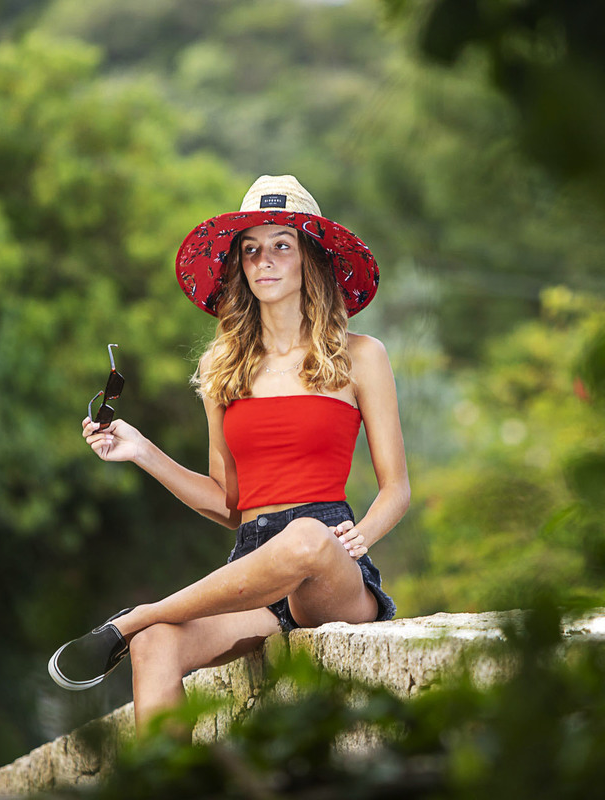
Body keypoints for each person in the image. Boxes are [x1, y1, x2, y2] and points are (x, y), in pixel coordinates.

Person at [47, 175, 409, 732]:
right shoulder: (225, 368)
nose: (264, 261)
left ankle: (134, 618)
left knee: (306, 538)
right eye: (251, 250)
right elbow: (230, 504)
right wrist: (142, 450)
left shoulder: (361, 356)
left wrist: (366, 533)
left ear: (309, 257)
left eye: (281, 245)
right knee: (155, 646)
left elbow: (396, 489)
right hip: (252, 568)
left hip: (330, 568)